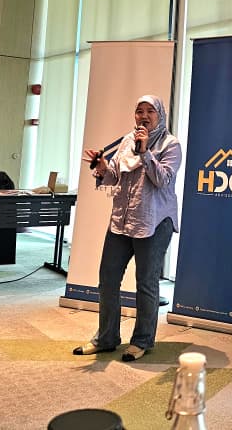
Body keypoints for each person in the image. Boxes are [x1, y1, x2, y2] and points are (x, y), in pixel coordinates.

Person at [74, 95, 181, 362]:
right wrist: (102, 168)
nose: (143, 116)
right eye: (139, 111)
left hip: (154, 221)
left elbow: (163, 180)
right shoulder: (126, 142)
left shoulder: (171, 144)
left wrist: (145, 152)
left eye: (150, 111)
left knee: (146, 282)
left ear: (160, 115)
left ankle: (142, 340)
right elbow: (114, 177)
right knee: (108, 278)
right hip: (122, 220)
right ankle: (106, 338)